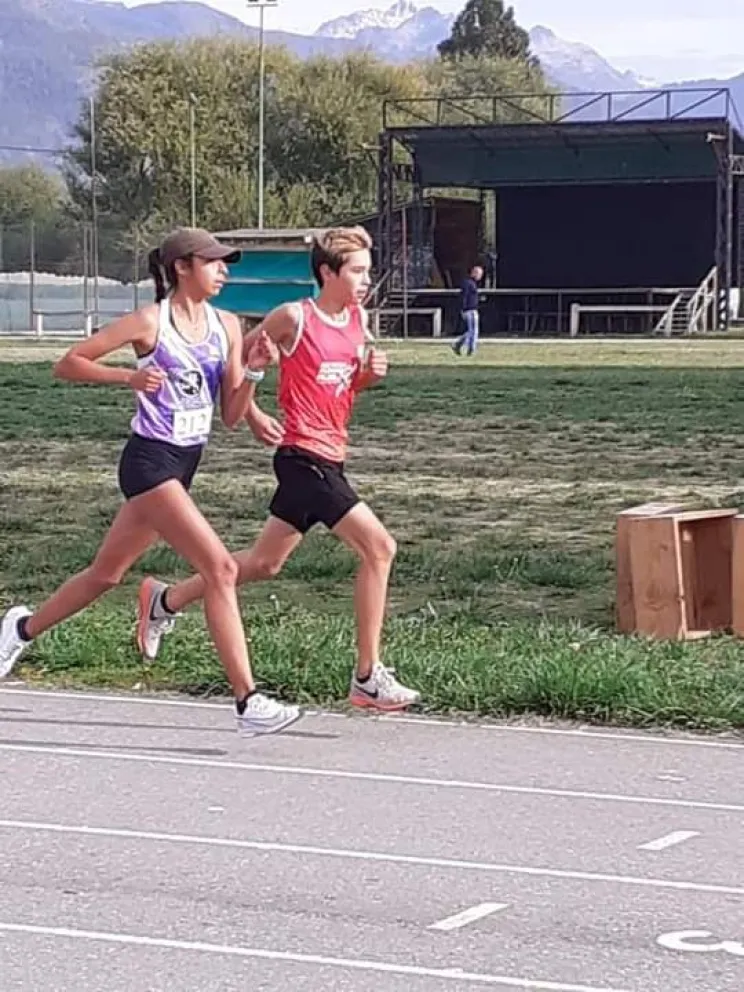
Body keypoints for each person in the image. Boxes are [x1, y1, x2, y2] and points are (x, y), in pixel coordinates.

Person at [0, 226, 301, 737]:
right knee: (221, 568)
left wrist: (253, 374)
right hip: (148, 462)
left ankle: (20, 629)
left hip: (184, 464)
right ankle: (248, 701)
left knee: (105, 574)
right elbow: (68, 363)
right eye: (214, 262)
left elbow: (230, 415)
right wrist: (129, 377)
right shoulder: (149, 322)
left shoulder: (228, 325)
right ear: (182, 267)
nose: (223, 271)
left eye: (225, 263)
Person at [136, 226, 421, 712]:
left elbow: (341, 387)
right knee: (380, 548)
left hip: (331, 454)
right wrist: (252, 413)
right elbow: (233, 368)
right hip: (302, 457)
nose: (365, 281)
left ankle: (164, 601)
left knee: (265, 564)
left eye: (367, 272)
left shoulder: (357, 320)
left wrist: (367, 378)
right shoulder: (293, 317)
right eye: (357, 271)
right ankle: (367, 676)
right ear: (327, 272)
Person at [453, 263, 483, 356]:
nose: (480, 276)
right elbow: (464, 297)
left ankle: (458, 344)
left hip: (472, 309)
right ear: (473, 273)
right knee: (473, 331)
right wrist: (463, 309)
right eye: (479, 274)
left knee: (472, 330)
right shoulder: (467, 283)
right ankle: (470, 349)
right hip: (469, 310)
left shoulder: (473, 284)